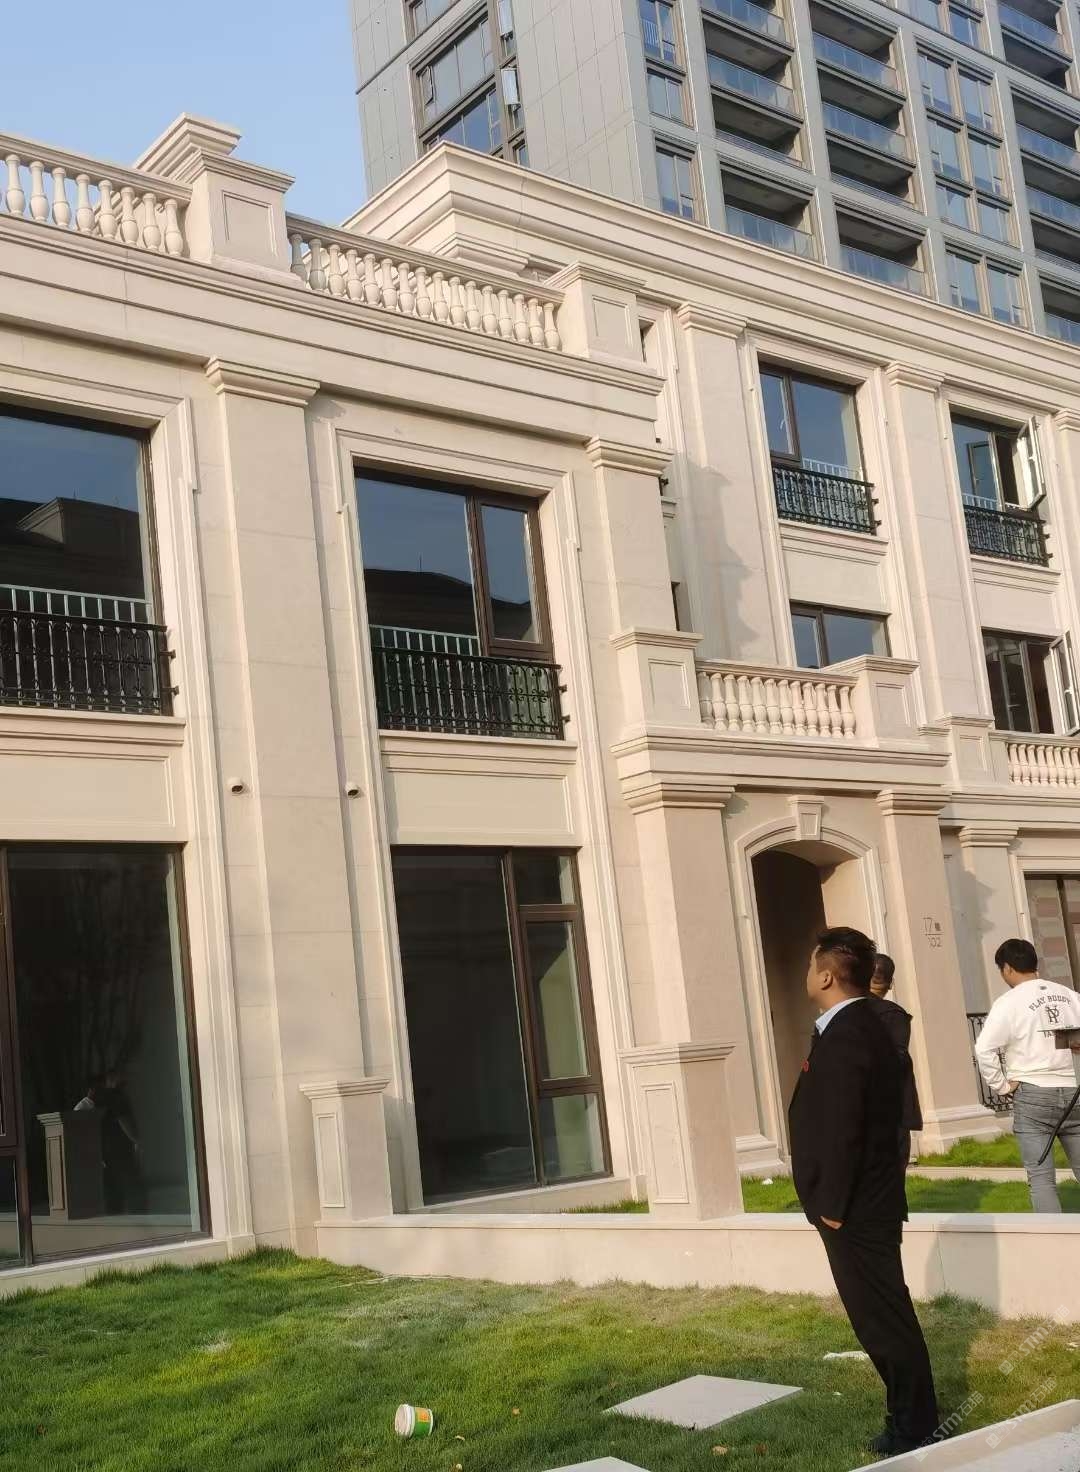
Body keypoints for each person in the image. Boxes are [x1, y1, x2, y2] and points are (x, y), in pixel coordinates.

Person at [789, 927, 938, 1457]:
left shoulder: (852, 1032)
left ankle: (914, 1426)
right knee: (880, 1315)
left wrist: (831, 1206)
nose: (807, 974)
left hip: (854, 1207)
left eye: (811, 965)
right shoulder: (854, 1026)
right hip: (856, 1202)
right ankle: (910, 1417)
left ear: (827, 975)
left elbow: (847, 1127)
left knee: (882, 1318)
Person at [975, 938, 1080, 1212]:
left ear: (1007, 968)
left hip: (1034, 1092)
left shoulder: (1008, 1003)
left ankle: (1052, 1237)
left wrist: (1001, 1086)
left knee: (1041, 1179)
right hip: (1074, 1090)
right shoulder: (1070, 996)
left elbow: (984, 1048)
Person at [865, 952, 924, 1166]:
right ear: (890, 983)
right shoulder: (894, 1015)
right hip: (890, 1108)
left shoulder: (844, 1012)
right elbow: (897, 1060)